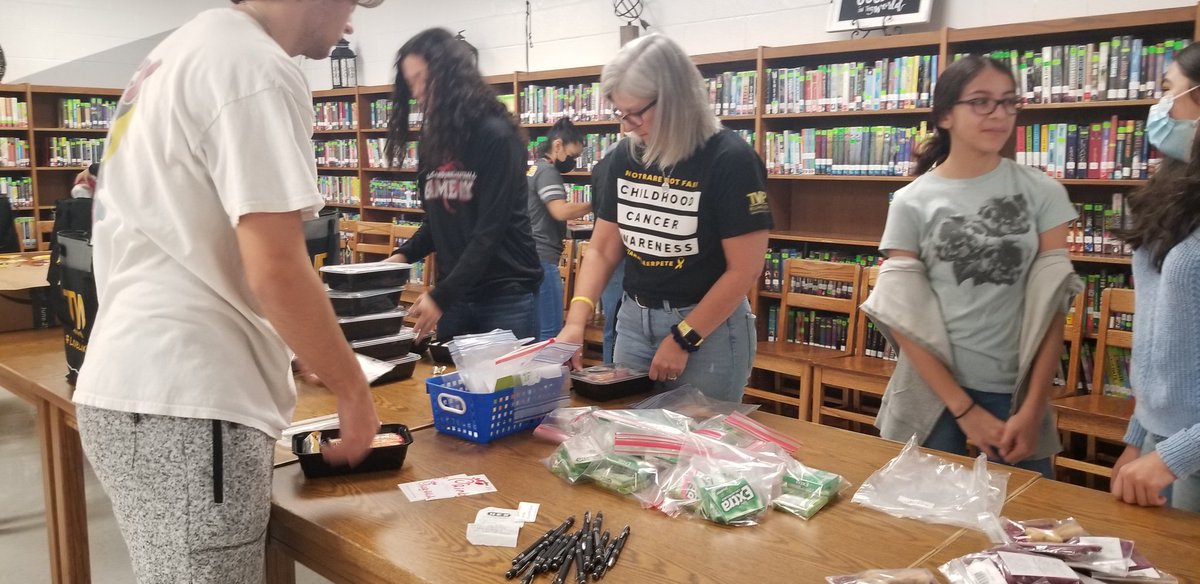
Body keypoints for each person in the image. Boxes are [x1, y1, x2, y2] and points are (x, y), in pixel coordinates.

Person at [72, 1, 384, 582]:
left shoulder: (186, 49)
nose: (349, 23)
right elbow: (277, 268)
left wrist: (298, 344)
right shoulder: (254, 66)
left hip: (142, 387)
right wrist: (352, 389)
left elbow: (190, 235)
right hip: (191, 401)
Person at [867, 55, 1079, 478]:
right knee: (924, 512)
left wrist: (1033, 407)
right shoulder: (911, 202)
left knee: (1023, 513)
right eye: (981, 102)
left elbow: (1053, 308)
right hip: (931, 392)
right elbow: (903, 318)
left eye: (1008, 101)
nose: (998, 114)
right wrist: (964, 409)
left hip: (1015, 395)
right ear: (945, 115)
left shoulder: (1043, 193)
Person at [556, 33, 771, 402]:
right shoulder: (626, 156)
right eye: (621, 114)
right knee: (629, 433)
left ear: (676, 98)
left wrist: (685, 336)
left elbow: (745, 270)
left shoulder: (730, 160)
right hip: (634, 321)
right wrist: (576, 321)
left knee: (698, 436)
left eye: (636, 113)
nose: (627, 126)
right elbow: (603, 250)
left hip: (707, 328)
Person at [383, 28, 542, 342]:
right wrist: (399, 259)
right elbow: (437, 223)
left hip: (504, 295)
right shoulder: (433, 140)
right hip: (455, 294)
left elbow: (489, 231)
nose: (417, 92)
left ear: (450, 75)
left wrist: (441, 296)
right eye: (411, 83)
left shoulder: (497, 136)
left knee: (505, 377)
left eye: (422, 79)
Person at [1110, 43, 1200, 511]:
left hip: (1185, 454)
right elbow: (1160, 333)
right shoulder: (1175, 187)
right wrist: (1138, 434)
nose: (1160, 106)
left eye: (1169, 91)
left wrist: (1174, 456)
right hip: (1160, 446)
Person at [527, 117, 592, 341]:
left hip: (530, 256)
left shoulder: (534, 169)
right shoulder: (548, 172)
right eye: (572, 156)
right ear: (557, 145)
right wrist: (597, 203)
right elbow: (560, 211)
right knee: (550, 331)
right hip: (543, 257)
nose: (572, 162)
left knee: (536, 328)